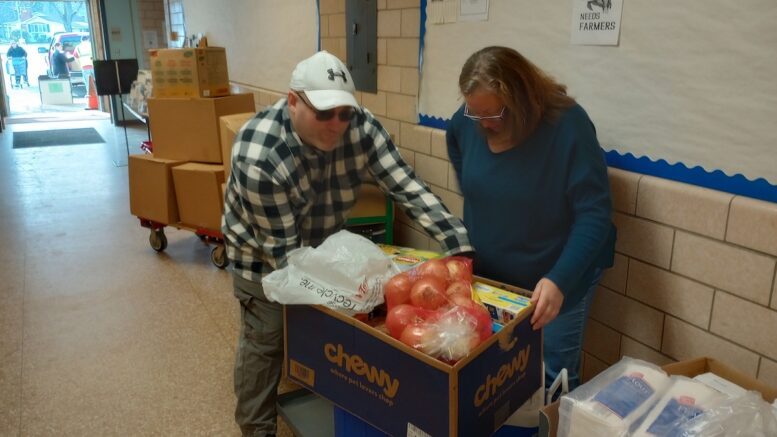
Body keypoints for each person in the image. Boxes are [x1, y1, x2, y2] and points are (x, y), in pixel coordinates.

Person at [222, 50, 474, 437]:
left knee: (334, 331)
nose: (337, 124)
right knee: (268, 338)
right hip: (263, 259)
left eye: (344, 112)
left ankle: (326, 394)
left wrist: (457, 245)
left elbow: (405, 185)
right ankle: (255, 427)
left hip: (325, 245)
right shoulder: (261, 156)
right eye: (324, 113)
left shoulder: (360, 127)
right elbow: (289, 262)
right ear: (293, 101)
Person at [446, 46, 616, 391]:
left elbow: (594, 213)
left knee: (551, 377)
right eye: (476, 114)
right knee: (498, 374)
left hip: (557, 274)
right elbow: (473, 187)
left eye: (495, 115)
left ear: (522, 97)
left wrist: (560, 280)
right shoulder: (465, 123)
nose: (485, 125)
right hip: (495, 275)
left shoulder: (567, 125)